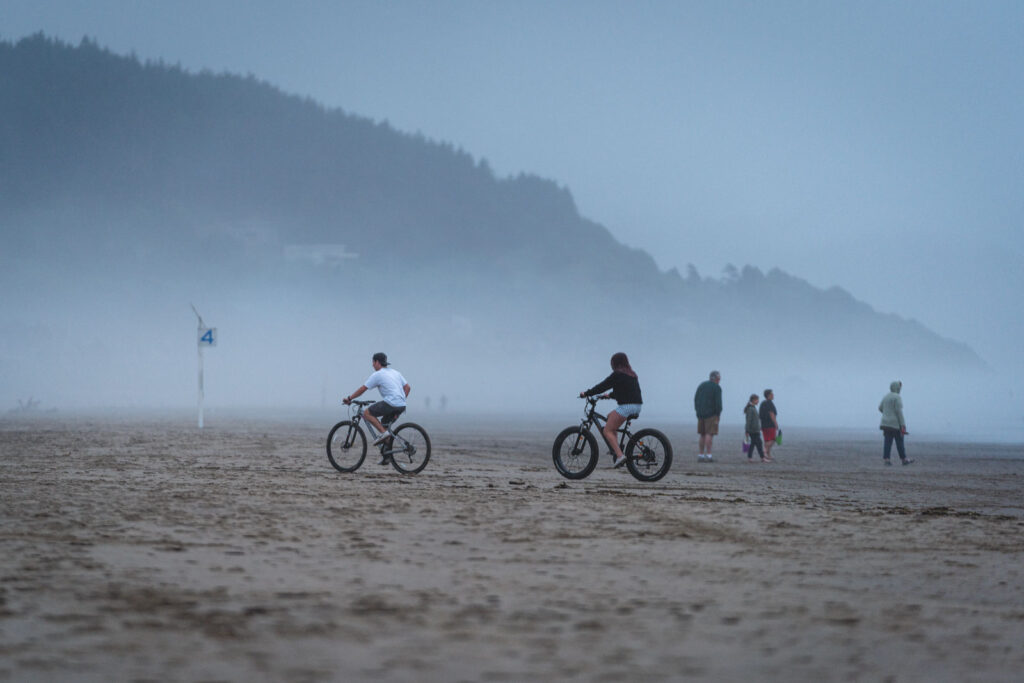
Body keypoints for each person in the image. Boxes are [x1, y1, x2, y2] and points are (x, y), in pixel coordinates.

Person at [580, 352, 643, 469]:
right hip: (637, 405)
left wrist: (587, 393)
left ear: (615, 364)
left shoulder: (617, 374)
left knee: (607, 431)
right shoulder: (631, 374)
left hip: (626, 407)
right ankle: (616, 448)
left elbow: (602, 386)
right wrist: (609, 395)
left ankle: (619, 456)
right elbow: (625, 391)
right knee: (610, 417)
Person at [343, 352, 411, 448]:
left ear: (377, 362)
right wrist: (401, 400)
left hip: (391, 403)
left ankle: (384, 434)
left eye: (373, 362)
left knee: (367, 413)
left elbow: (363, 389)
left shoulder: (378, 374)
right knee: (384, 425)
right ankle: (387, 455)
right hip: (402, 405)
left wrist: (349, 398)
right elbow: (408, 387)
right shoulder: (395, 373)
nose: (372, 365)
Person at [879, 380, 913, 466]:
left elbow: (880, 407)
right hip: (895, 424)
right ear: (897, 388)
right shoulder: (897, 397)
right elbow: (899, 412)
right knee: (899, 442)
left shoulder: (886, 396)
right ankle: (904, 459)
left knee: (887, 442)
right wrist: (903, 424)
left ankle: (887, 460)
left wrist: (887, 413)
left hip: (885, 423)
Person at [694, 370, 722, 462]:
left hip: (701, 414)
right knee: (709, 434)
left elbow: (696, 399)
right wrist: (718, 414)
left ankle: (701, 455)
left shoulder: (701, 385)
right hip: (711, 414)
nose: (719, 380)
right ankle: (709, 455)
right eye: (719, 378)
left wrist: (698, 411)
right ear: (716, 379)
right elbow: (718, 403)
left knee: (702, 434)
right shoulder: (716, 388)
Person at [744, 394, 768, 462]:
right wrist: (747, 430)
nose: (758, 401)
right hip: (753, 430)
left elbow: (755, 420)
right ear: (753, 400)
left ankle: (750, 457)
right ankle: (762, 458)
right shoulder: (751, 409)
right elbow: (749, 420)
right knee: (759, 443)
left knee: (753, 444)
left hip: (755, 430)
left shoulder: (753, 408)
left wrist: (759, 427)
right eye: (757, 400)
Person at [759, 388, 779, 460]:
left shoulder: (763, 403)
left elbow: (760, 415)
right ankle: (765, 451)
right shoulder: (769, 403)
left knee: (767, 440)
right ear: (768, 395)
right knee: (773, 439)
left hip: (764, 425)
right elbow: (772, 414)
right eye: (772, 394)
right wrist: (776, 424)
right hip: (770, 425)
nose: (773, 395)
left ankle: (768, 454)